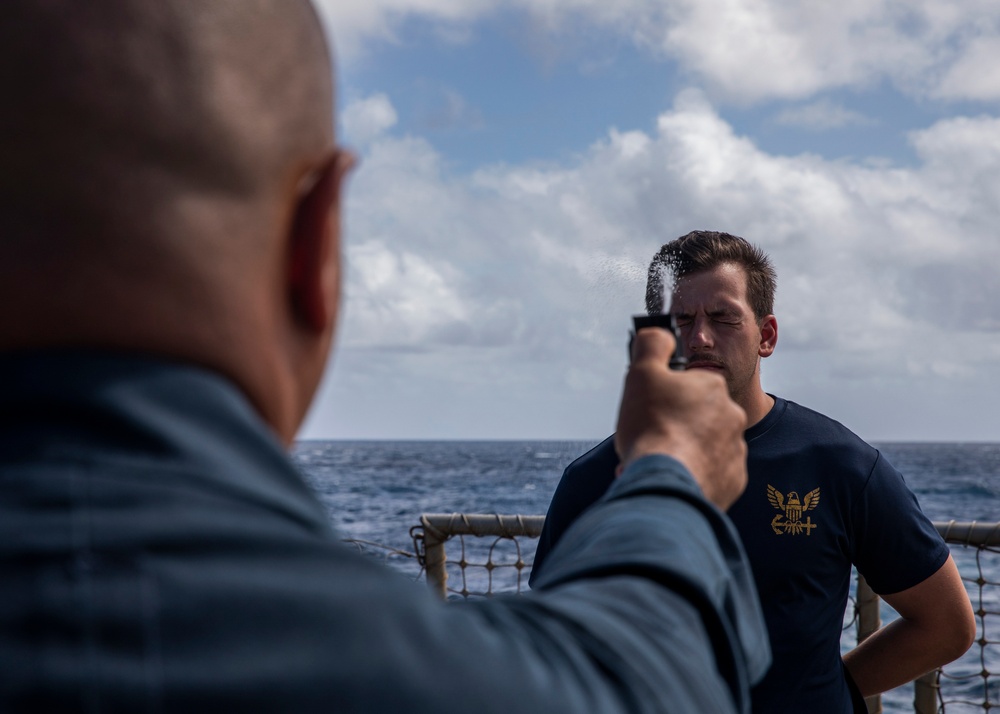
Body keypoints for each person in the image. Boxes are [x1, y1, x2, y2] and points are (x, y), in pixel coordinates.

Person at [0, 3, 773, 712]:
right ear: (318, 246)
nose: (701, 336)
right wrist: (672, 473)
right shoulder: (406, 674)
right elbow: (634, 675)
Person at [532, 230, 976, 713]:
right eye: (681, 319)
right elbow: (549, 653)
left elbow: (946, 625)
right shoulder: (593, 480)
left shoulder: (839, 464)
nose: (699, 337)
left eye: (723, 318)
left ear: (766, 336)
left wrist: (828, 695)